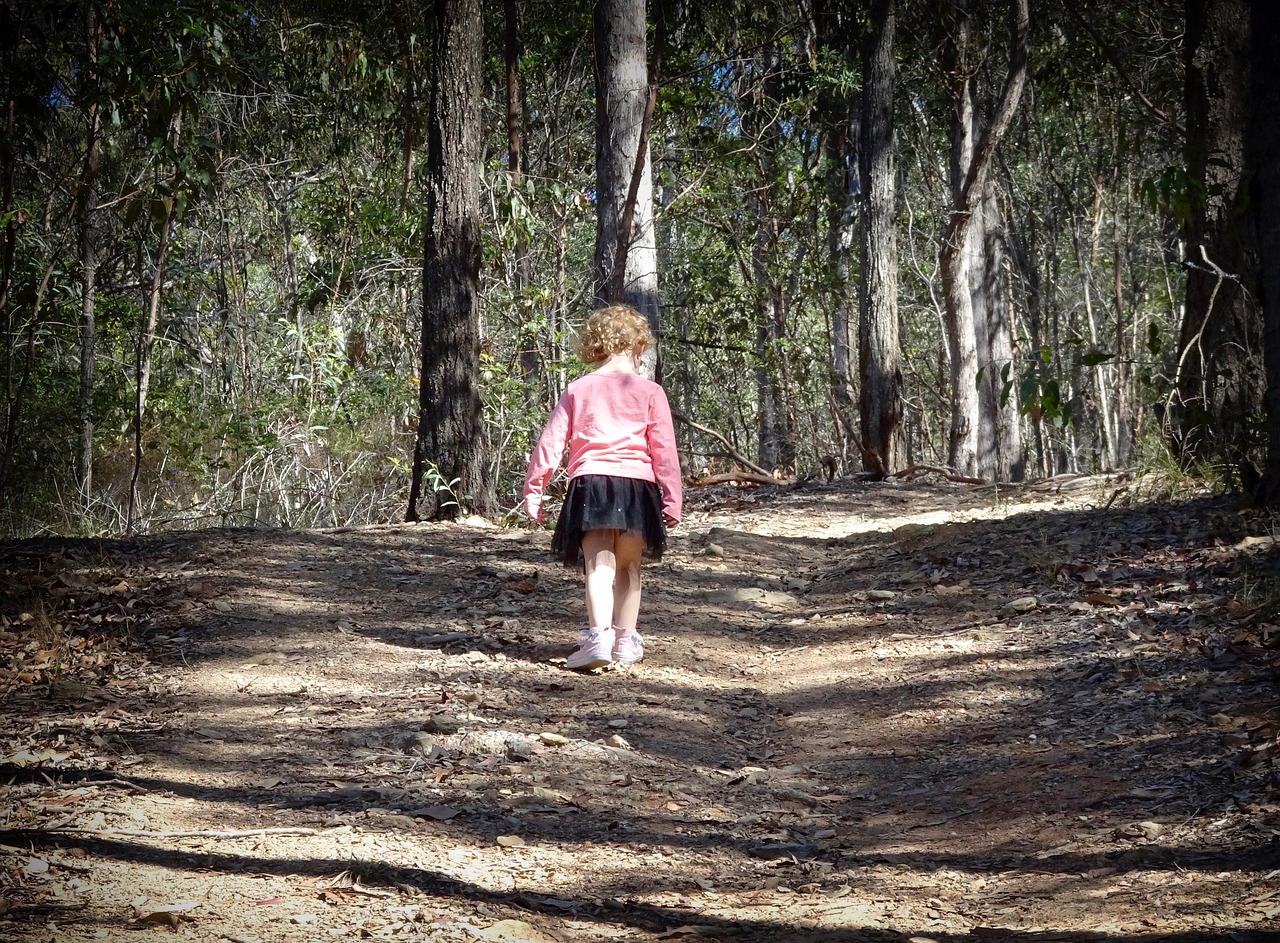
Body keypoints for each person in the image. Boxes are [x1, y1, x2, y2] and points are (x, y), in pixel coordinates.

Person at [522, 304, 683, 670]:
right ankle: (625, 639)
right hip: (637, 486)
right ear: (639, 346)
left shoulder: (579, 389)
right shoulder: (650, 391)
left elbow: (551, 443)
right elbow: (664, 451)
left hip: (591, 483)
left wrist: (535, 489)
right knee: (629, 566)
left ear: (595, 345)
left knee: (598, 564)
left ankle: (598, 639)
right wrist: (672, 498)